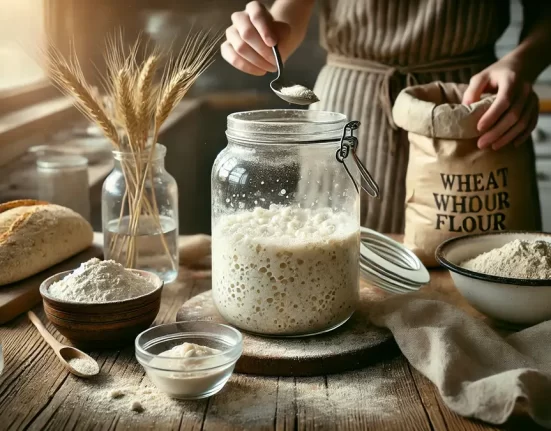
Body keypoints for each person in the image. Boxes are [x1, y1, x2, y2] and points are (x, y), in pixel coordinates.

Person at [221, 0, 551, 233]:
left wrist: (522, 62)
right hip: (350, 107)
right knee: (334, 265)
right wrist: (267, 39)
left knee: (485, 281)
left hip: (468, 104)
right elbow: (291, 12)